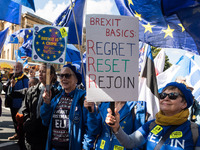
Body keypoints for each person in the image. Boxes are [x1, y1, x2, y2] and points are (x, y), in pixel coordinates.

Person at [105, 82, 200, 149]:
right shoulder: (151, 125)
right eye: (162, 95)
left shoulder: (195, 131)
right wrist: (116, 127)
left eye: (172, 95)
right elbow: (130, 142)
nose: (166, 98)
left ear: (184, 104)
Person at [40, 64, 93, 150]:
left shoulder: (83, 98)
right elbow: (45, 121)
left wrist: (86, 146)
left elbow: (91, 127)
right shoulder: (56, 98)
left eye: (67, 75)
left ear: (76, 79)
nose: (64, 78)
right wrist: (46, 104)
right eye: (61, 76)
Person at [22, 63, 59, 150]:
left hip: (46, 136)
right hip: (31, 135)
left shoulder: (57, 94)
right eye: (39, 71)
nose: (40, 74)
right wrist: (27, 122)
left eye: (44, 72)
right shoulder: (31, 90)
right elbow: (25, 108)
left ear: (51, 75)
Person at [4, 62, 29, 140]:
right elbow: (8, 89)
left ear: (21, 68)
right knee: (14, 119)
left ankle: (22, 136)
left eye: (18, 67)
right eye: (15, 67)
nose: (16, 68)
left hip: (20, 102)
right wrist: (11, 86)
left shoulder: (24, 78)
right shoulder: (12, 77)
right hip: (12, 102)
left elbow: (27, 90)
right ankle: (17, 134)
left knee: (20, 120)